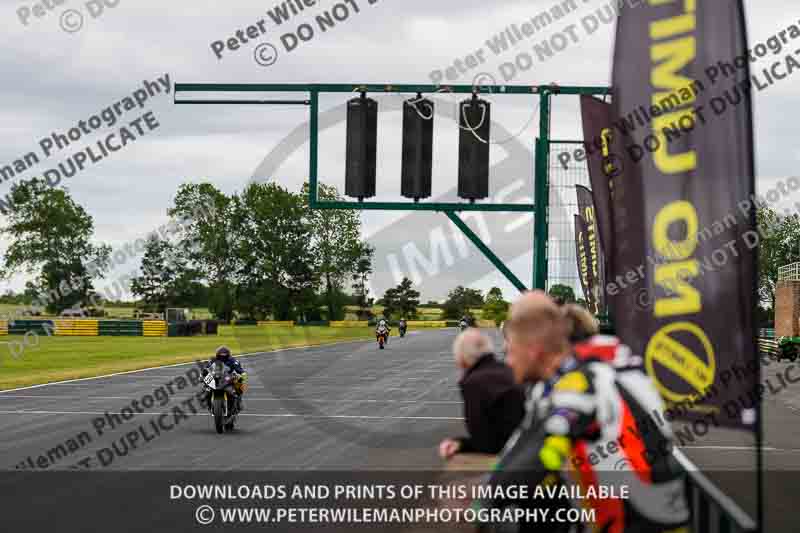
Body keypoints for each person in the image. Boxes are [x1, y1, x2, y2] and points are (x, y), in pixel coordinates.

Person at [485, 291, 690, 532]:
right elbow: (523, 442)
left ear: (533, 349)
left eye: (510, 349)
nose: (507, 360)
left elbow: (542, 450)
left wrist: (484, 504)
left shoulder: (582, 381)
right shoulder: (591, 367)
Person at [439, 329, 525, 459]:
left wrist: (462, 444)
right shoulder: (508, 370)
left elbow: (484, 441)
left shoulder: (474, 382)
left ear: (462, 358)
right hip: (529, 445)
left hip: (514, 454)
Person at [202, 346, 248, 411]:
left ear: (228, 355)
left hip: (228, 377)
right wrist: (202, 375)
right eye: (220, 356)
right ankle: (206, 400)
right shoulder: (212, 360)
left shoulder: (233, 360)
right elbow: (206, 368)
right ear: (217, 355)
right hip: (216, 377)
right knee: (206, 386)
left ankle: (239, 400)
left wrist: (242, 375)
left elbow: (240, 370)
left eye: (224, 356)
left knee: (239, 383)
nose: (222, 357)